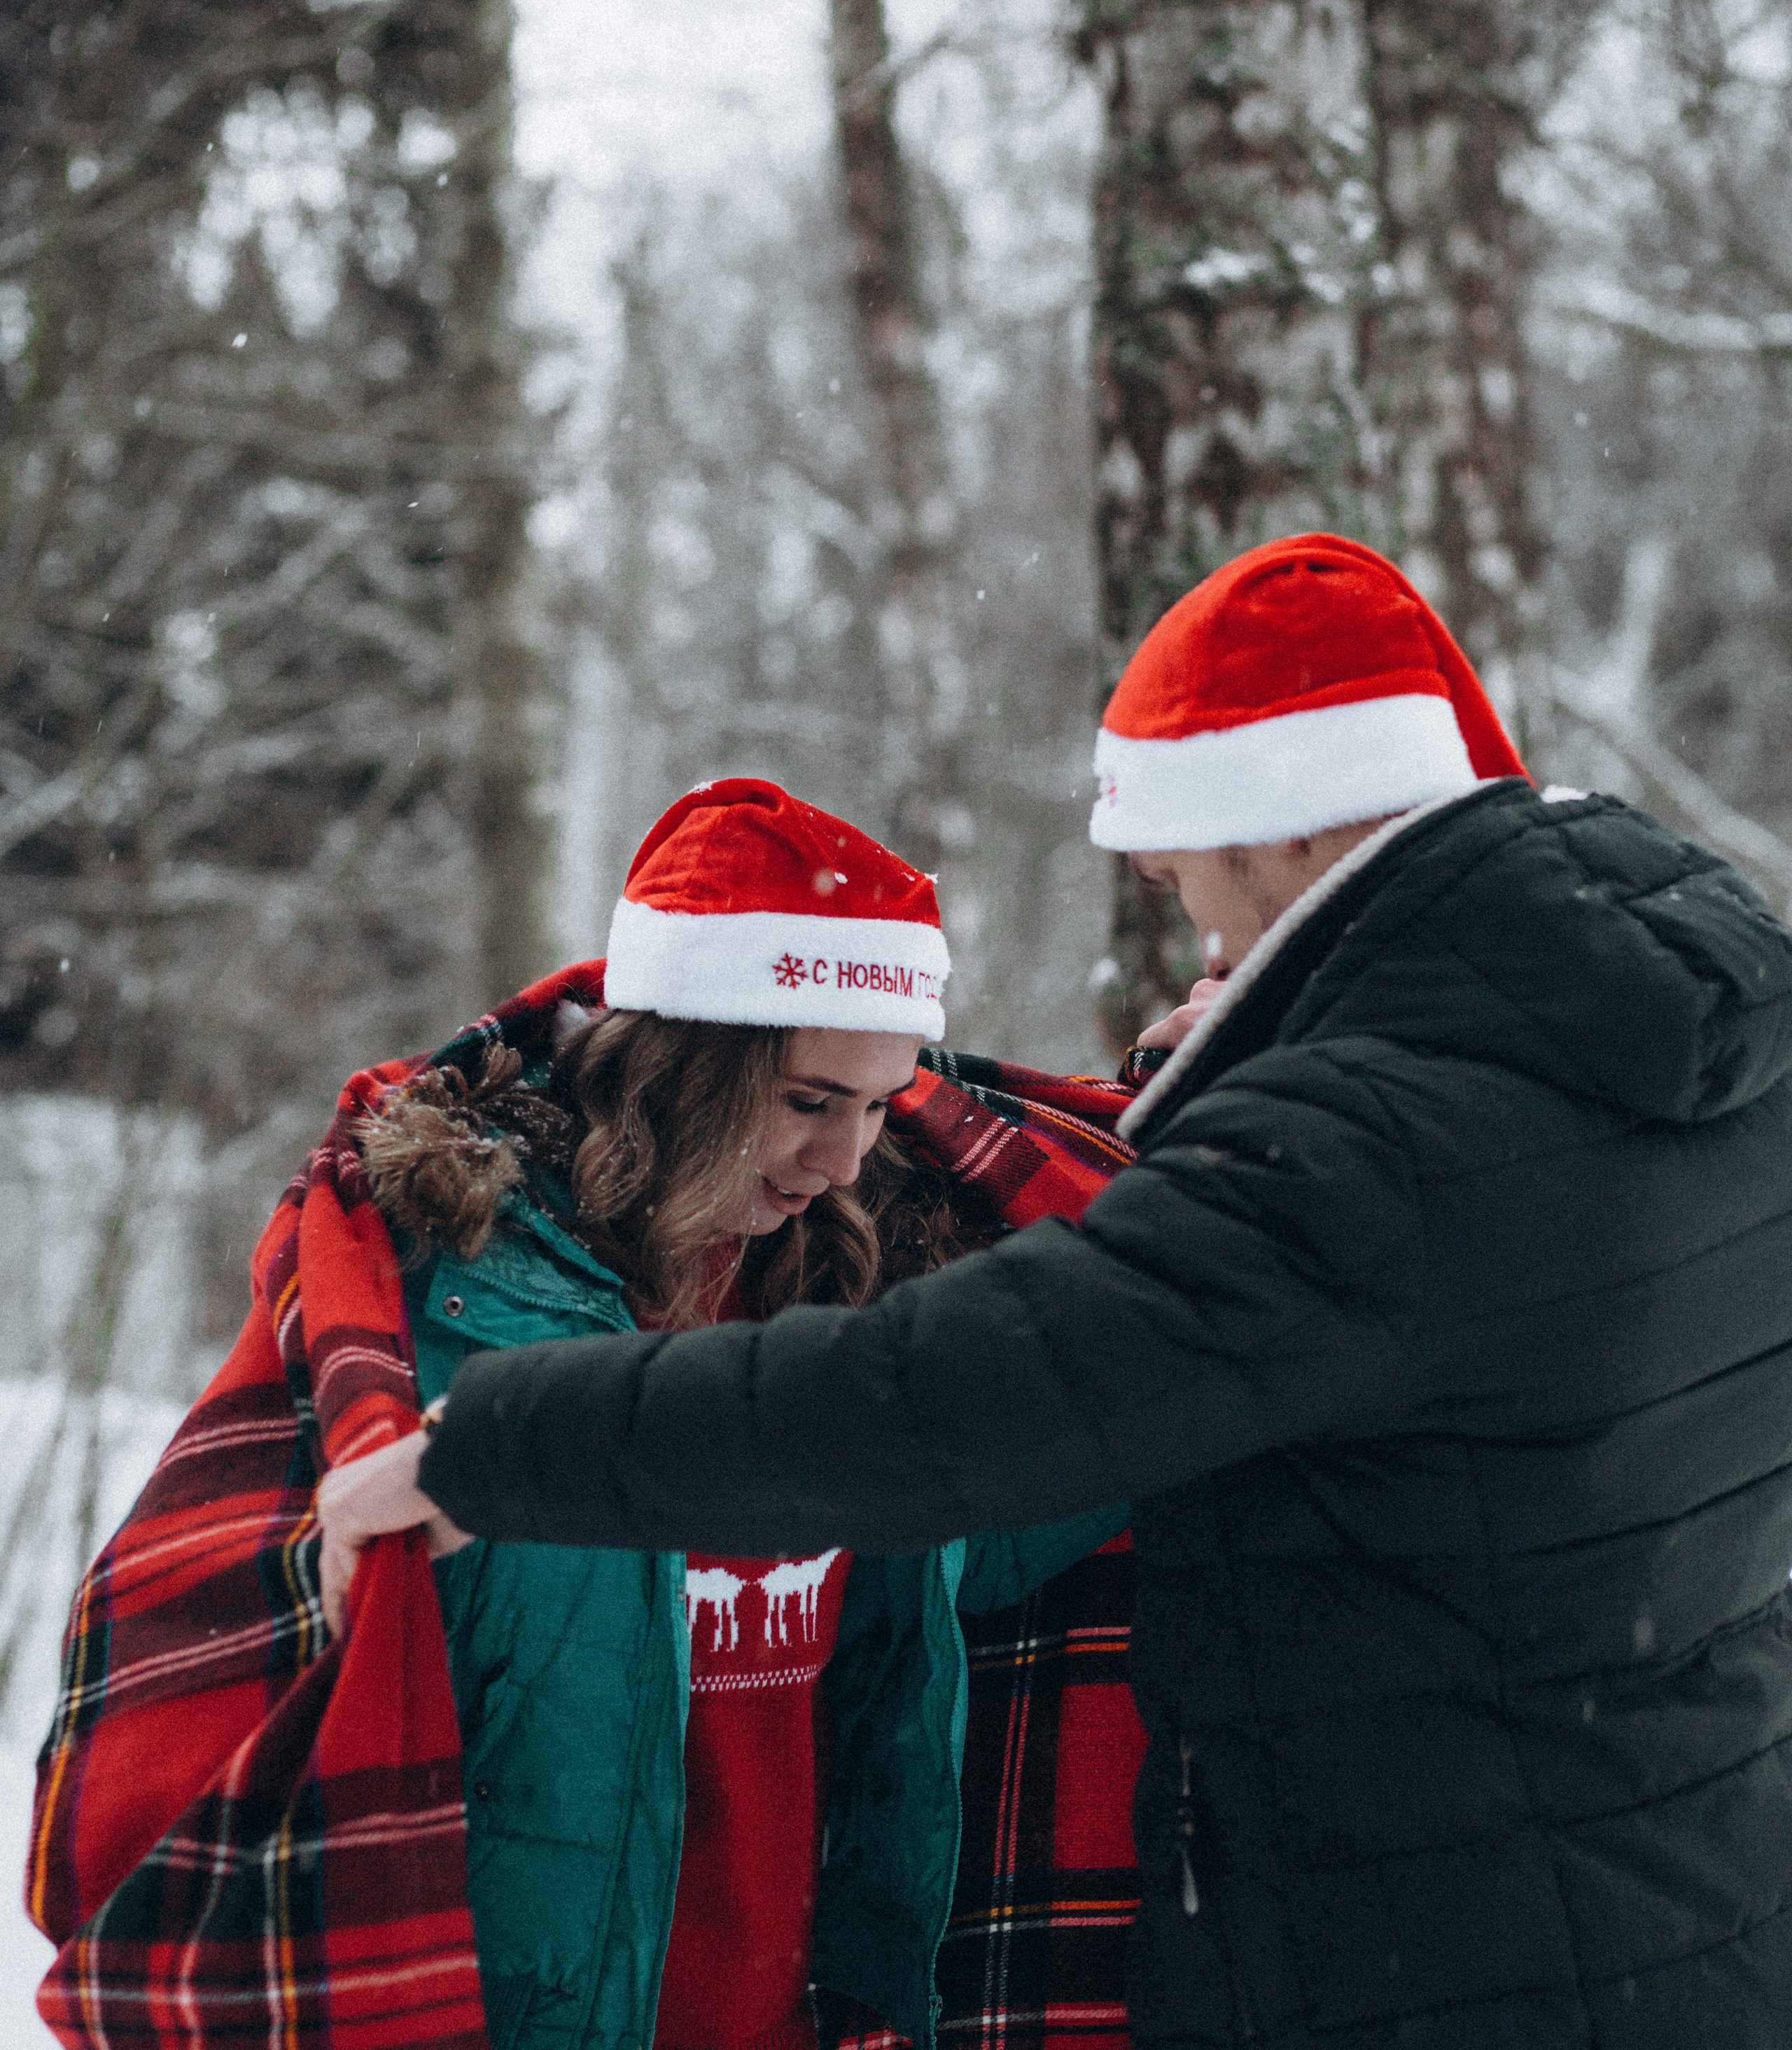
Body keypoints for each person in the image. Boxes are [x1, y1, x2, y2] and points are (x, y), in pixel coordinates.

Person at [322, 533, 1792, 2049]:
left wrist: (500, 1446)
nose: (1202, 939)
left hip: (1439, 1957)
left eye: (1187, 879)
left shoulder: (1372, 1150)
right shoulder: (1698, 1062)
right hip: (1688, 1904)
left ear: (1277, 833)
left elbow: (949, 1404)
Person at [29, 776, 1142, 2050]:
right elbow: (223, 1684)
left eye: (882, 1107)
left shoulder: (871, 1317)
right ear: (681, 1068)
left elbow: (1011, 1510)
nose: (845, 1161)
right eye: (808, 1101)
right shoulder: (445, 1316)